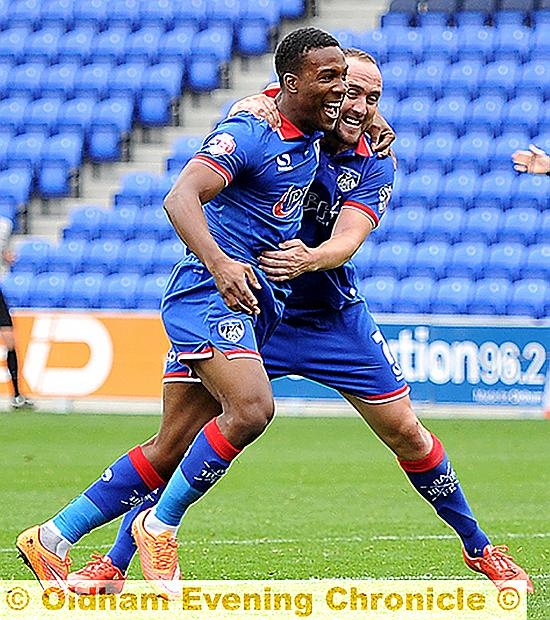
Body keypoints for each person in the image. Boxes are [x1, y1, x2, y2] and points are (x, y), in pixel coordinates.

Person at [62, 50, 531, 596]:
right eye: (350, 91)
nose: (358, 105)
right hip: (247, 303)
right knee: (178, 438)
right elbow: (252, 116)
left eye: (372, 98)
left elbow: (348, 238)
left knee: (405, 429)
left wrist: (312, 257)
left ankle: (479, 546)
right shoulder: (269, 121)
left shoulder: (374, 158)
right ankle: (115, 562)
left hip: (330, 315)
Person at [16, 27, 348, 597]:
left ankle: (53, 535)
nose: (340, 91)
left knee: (171, 445)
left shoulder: (309, 123)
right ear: (290, 84)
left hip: (252, 303)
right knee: (250, 408)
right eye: (329, 78)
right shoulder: (249, 131)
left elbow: (352, 107)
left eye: (344, 78)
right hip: (208, 294)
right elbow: (180, 197)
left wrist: (375, 127)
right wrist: (220, 265)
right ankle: (158, 524)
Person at [0, 214, 34, 410]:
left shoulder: (4, 226)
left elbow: (5, 255)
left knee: (10, 340)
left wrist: (8, 257)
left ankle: (17, 395)